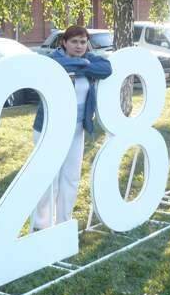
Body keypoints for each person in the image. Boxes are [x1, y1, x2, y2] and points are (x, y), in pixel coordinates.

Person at [31, 25, 112, 230]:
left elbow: (106, 69)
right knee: (49, 179)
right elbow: (57, 66)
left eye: (83, 42)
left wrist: (79, 65)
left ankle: (63, 224)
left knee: (71, 178)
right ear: (64, 43)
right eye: (74, 41)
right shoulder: (52, 60)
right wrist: (84, 65)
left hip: (76, 130)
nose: (79, 46)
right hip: (50, 129)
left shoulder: (89, 58)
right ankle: (41, 226)